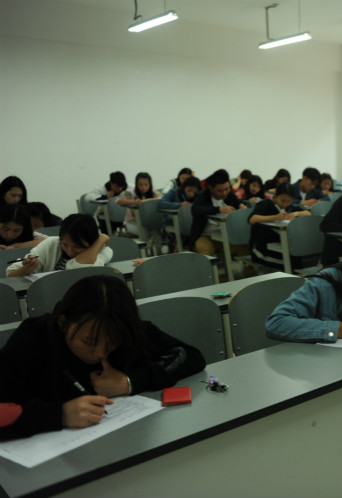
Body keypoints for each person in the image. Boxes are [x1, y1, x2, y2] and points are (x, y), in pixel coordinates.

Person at [0, 275, 206, 439]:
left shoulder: (127, 330)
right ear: (63, 322)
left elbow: (190, 355)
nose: (100, 353)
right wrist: (59, 414)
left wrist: (129, 382)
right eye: (89, 341)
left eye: (112, 342)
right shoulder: (34, 337)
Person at [7, 213, 112, 277]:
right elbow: (10, 273)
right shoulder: (52, 244)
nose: (70, 251)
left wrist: (101, 239)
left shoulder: (102, 250)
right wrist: (25, 270)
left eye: (77, 247)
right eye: (65, 244)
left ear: (92, 242)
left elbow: (78, 268)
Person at [248, 183, 310, 268]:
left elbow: (308, 213)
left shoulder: (289, 207)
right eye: (283, 200)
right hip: (260, 250)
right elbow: (252, 219)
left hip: (279, 246)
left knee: (302, 258)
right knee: (294, 263)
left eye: (289, 201)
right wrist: (275, 217)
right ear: (275, 195)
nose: (285, 204)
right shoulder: (264, 204)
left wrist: (295, 214)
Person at [188, 169, 247, 256]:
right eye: (219, 191)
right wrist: (219, 209)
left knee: (244, 248)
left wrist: (241, 205)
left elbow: (238, 202)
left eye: (227, 189)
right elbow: (196, 210)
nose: (224, 193)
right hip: (204, 235)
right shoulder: (202, 196)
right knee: (208, 252)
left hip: (223, 234)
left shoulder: (228, 194)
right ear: (211, 188)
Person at [116, 172, 161, 237]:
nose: (143, 187)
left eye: (146, 184)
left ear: (150, 184)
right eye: (140, 184)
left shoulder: (153, 192)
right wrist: (134, 202)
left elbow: (161, 198)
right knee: (147, 231)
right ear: (136, 184)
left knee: (159, 229)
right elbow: (118, 200)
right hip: (133, 222)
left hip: (149, 222)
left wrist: (145, 201)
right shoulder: (130, 192)